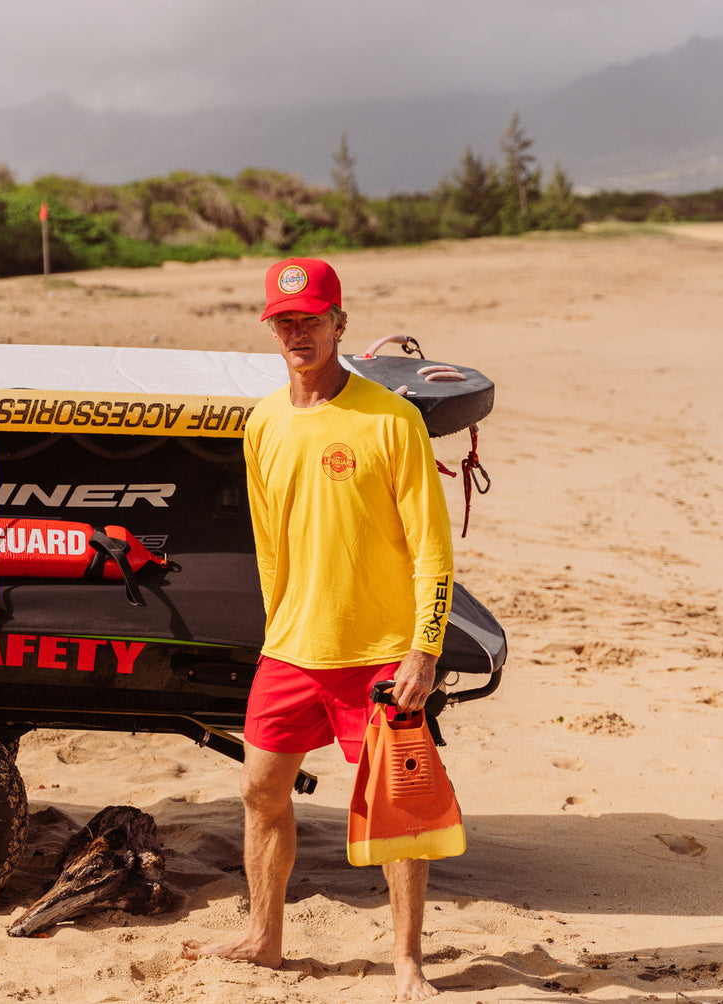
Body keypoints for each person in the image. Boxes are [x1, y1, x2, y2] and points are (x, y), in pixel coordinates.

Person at [181, 258, 454, 1002]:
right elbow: (271, 544)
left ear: (341, 322)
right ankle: (265, 939)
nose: (298, 332)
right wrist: (281, 629)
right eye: (285, 321)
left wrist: (424, 651)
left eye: (312, 319)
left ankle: (406, 962)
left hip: (378, 658)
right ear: (273, 327)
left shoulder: (391, 419)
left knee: (397, 813)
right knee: (260, 790)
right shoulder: (263, 421)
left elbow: (433, 548)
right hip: (293, 651)